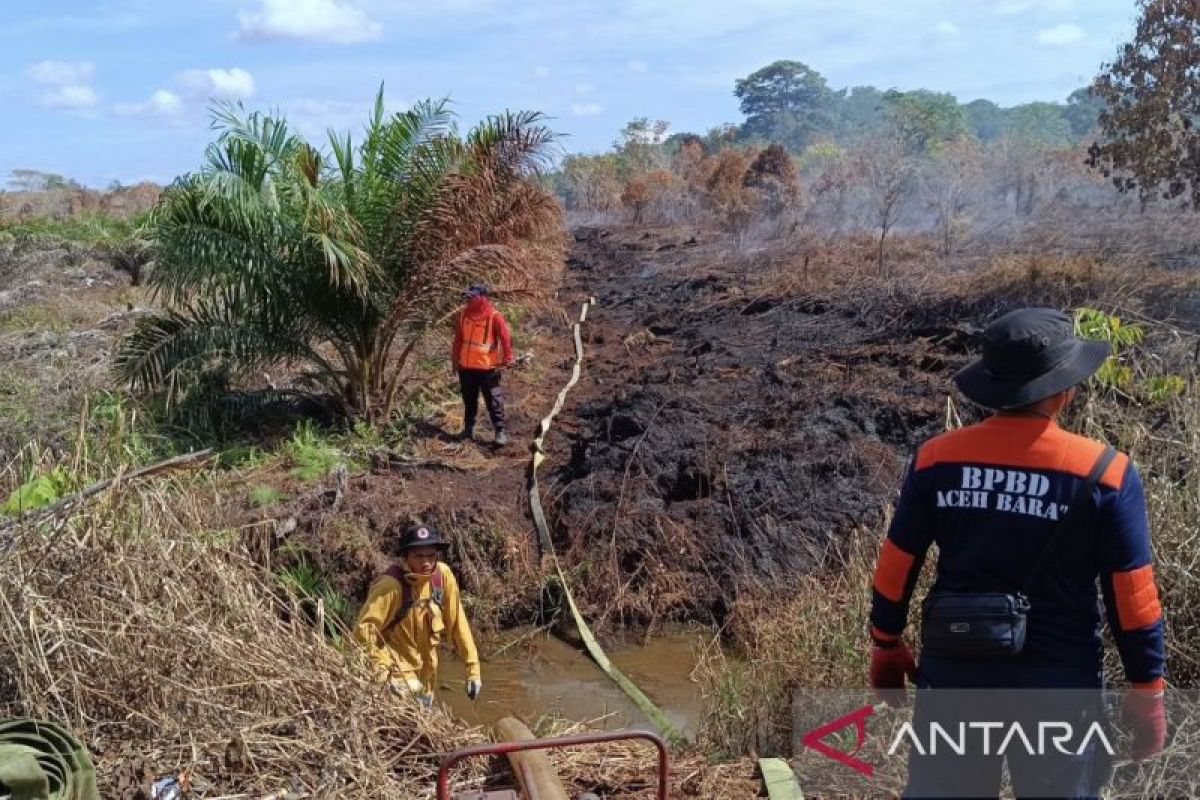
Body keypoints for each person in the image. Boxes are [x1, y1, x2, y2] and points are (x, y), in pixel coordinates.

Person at [868, 308, 1166, 798]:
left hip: (956, 674)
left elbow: (898, 563)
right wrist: (1147, 690)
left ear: (991, 386)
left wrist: (886, 642)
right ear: (1064, 389)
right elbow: (1132, 601)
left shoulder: (937, 458)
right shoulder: (1106, 473)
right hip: (1058, 687)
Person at [355, 524, 481, 708]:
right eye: (418, 556)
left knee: (424, 710)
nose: (426, 562)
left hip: (426, 674)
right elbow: (363, 633)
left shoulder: (442, 577)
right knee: (415, 715)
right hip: (396, 673)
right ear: (406, 557)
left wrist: (473, 669)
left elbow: (458, 625)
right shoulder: (391, 586)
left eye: (431, 555)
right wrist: (383, 674)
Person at [452, 285, 515, 446]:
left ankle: (500, 431)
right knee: (469, 400)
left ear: (482, 298)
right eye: (467, 297)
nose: (468, 300)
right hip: (466, 367)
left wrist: (508, 357)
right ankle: (468, 430)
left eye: (472, 297)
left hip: (487, 368)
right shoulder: (463, 315)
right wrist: (455, 361)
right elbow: (458, 339)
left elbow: (505, 337)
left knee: (493, 400)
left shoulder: (494, 317)